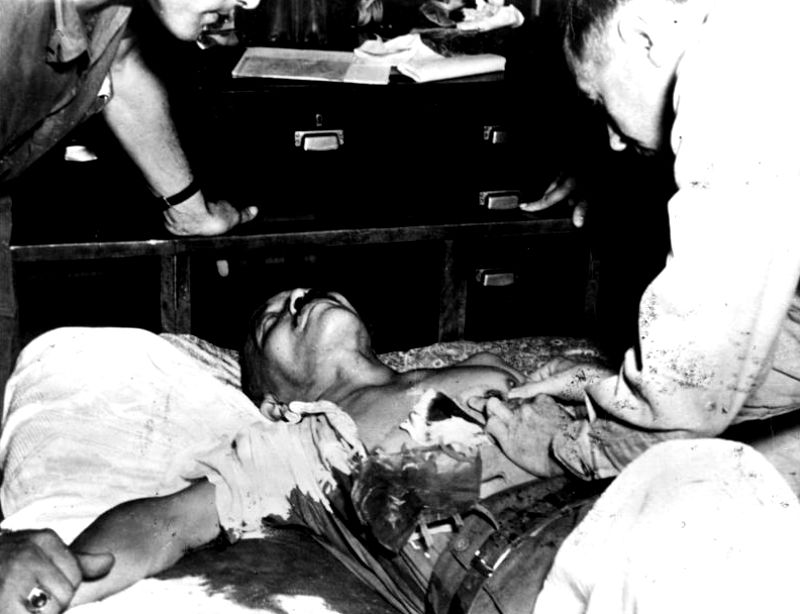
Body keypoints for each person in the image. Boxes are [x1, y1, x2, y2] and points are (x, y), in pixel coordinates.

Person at [0, 288, 540, 612]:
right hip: (525, 578)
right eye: (271, 322)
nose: (298, 295)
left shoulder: (488, 369)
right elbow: (167, 523)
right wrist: (65, 573)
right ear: (276, 405)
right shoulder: (292, 452)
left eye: (303, 294)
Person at [484, 0, 800, 492]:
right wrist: (616, 393)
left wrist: (569, 449)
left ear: (643, 37)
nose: (612, 141)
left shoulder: (735, 66)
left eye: (598, 99)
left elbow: (694, 390)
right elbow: (772, 331)